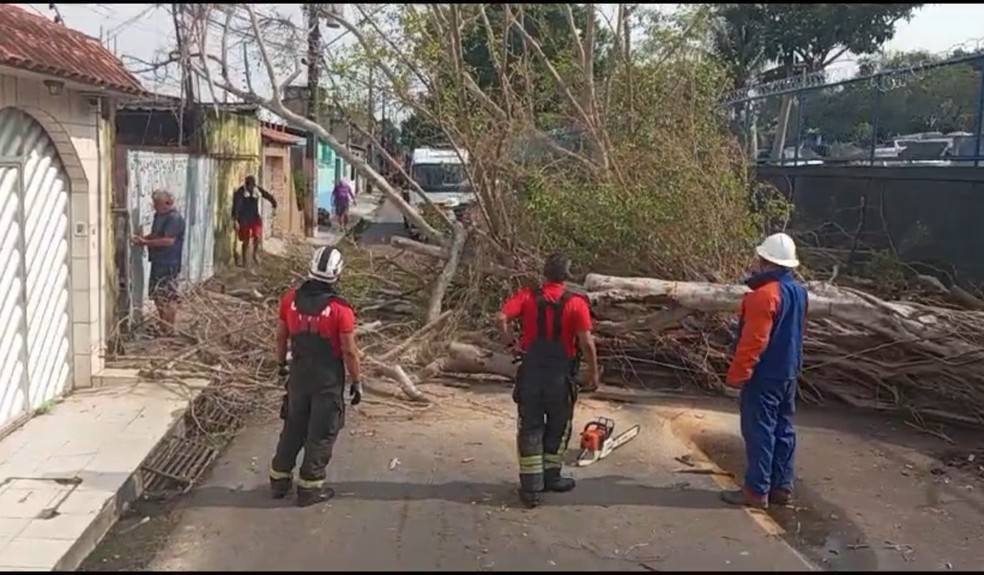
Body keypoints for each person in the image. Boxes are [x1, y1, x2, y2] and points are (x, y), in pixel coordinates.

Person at [497, 253, 600, 509]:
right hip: (560, 375)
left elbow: (500, 317)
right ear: (567, 277)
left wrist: (510, 341)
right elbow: (586, 341)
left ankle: (531, 488)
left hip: (531, 373)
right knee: (559, 426)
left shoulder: (528, 297)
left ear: (544, 274)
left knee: (531, 426)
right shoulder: (576, 303)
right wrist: (593, 373)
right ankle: (552, 477)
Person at [269, 246, 363, 507]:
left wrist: (280, 364)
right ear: (338, 273)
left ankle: (279, 480)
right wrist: (357, 381)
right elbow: (349, 351)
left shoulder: (290, 299)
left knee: (294, 426)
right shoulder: (340, 309)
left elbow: (280, 336)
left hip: (298, 376)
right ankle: (309, 488)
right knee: (321, 432)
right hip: (327, 381)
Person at [721, 232, 808, 510]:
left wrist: (737, 376)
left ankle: (756, 491)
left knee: (760, 430)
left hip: (764, 373)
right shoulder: (799, 293)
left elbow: (754, 341)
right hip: (788, 372)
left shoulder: (763, 295)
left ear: (765, 261)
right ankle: (781, 486)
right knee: (784, 428)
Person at [131, 190, 186, 336]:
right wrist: (142, 240)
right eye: (154, 204)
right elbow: (156, 234)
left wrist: (147, 242)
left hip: (169, 262)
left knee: (168, 296)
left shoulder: (175, 218)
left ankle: (169, 328)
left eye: (157, 204)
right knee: (157, 295)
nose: (155, 207)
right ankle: (164, 326)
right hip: (157, 261)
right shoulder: (160, 216)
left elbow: (168, 241)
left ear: (168, 204)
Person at [232, 175, 277, 272]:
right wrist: (235, 220)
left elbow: (266, 195)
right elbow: (236, 207)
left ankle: (254, 254)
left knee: (257, 236)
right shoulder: (240, 193)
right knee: (246, 240)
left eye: (253, 186)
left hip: (254, 217)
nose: (252, 188)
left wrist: (274, 203)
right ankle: (245, 261)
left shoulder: (257, 190)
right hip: (244, 219)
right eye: (250, 187)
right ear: (246, 185)